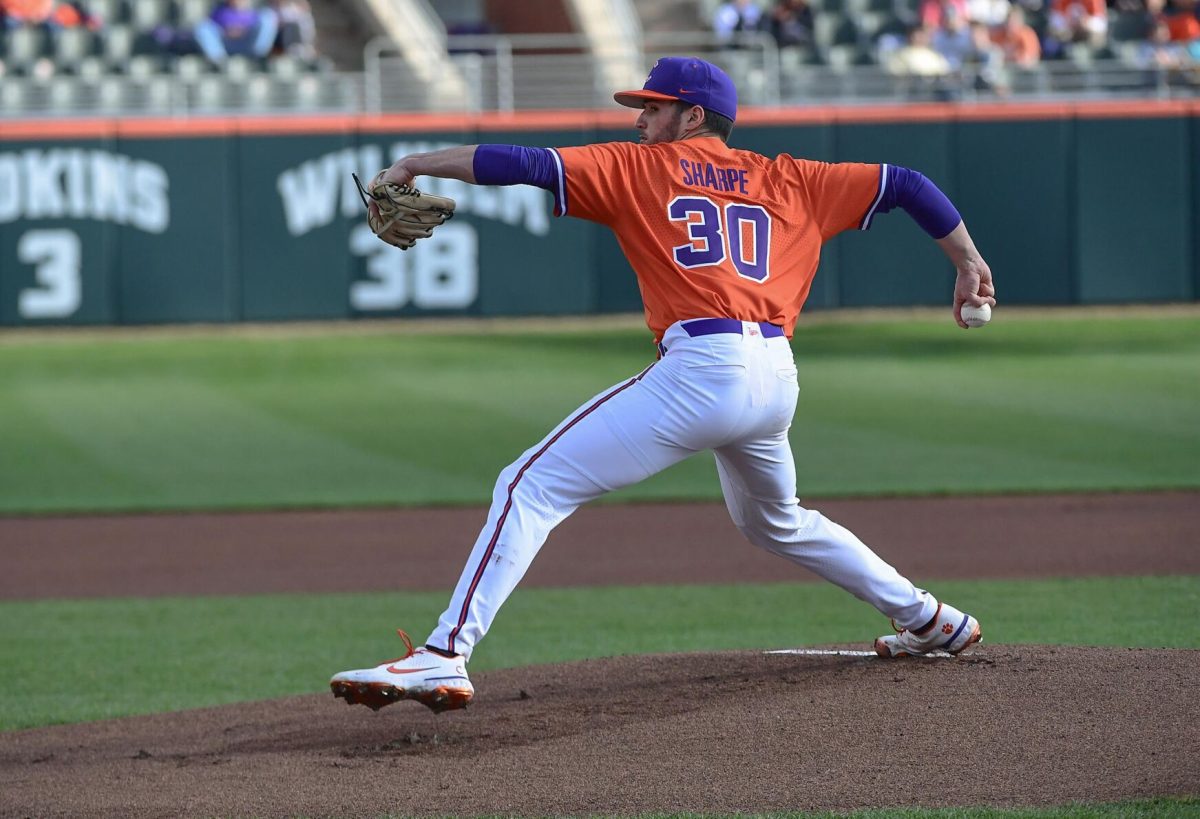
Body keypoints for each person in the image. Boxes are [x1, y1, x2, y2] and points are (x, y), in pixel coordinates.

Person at [330, 56, 995, 714]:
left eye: (652, 107)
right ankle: (931, 618)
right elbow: (907, 183)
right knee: (777, 519)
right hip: (775, 378)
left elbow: (523, 163)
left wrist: (416, 163)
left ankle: (445, 651)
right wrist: (967, 260)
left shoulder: (640, 166)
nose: (641, 119)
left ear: (693, 115)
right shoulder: (794, 178)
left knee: (528, 483)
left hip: (703, 369)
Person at [192, 0, 277, 65]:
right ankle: (217, 62)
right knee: (203, 27)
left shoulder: (254, 12)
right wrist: (227, 31)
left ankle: (259, 57)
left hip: (247, 44)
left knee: (268, 17)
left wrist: (241, 30)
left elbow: (257, 29)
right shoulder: (219, 11)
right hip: (225, 45)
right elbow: (211, 29)